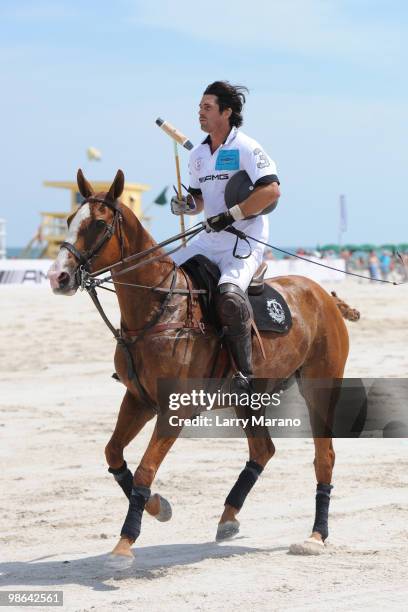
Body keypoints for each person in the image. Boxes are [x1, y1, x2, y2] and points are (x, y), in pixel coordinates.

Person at [170, 81, 280, 392]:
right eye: (199, 107)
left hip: (243, 241)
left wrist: (231, 215)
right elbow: (199, 201)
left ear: (227, 112)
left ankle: (244, 374)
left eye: (207, 107)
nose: (200, 113)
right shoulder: (198, 155)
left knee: (230, 296)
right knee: (160, 275)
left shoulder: (246, 147)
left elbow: (271, 191)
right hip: (209, 238)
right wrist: (186, 205)